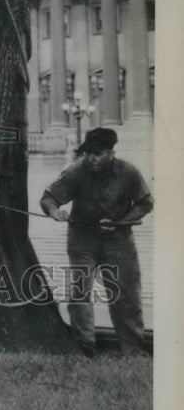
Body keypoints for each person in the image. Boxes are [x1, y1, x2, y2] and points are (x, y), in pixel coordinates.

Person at [40, 127, 153, 357]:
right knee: (80, 292)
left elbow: (145, 203)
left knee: (126, 294)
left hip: (119, 239)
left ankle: (132, 350)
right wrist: (54, 212)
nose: (90, 159)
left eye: (97, 153)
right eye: (87, 153)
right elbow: (48, 199)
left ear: (111, 152)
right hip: (82, 239)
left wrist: (121, 221)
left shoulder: (129, 172)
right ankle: (84, 348)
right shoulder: (75, 171)